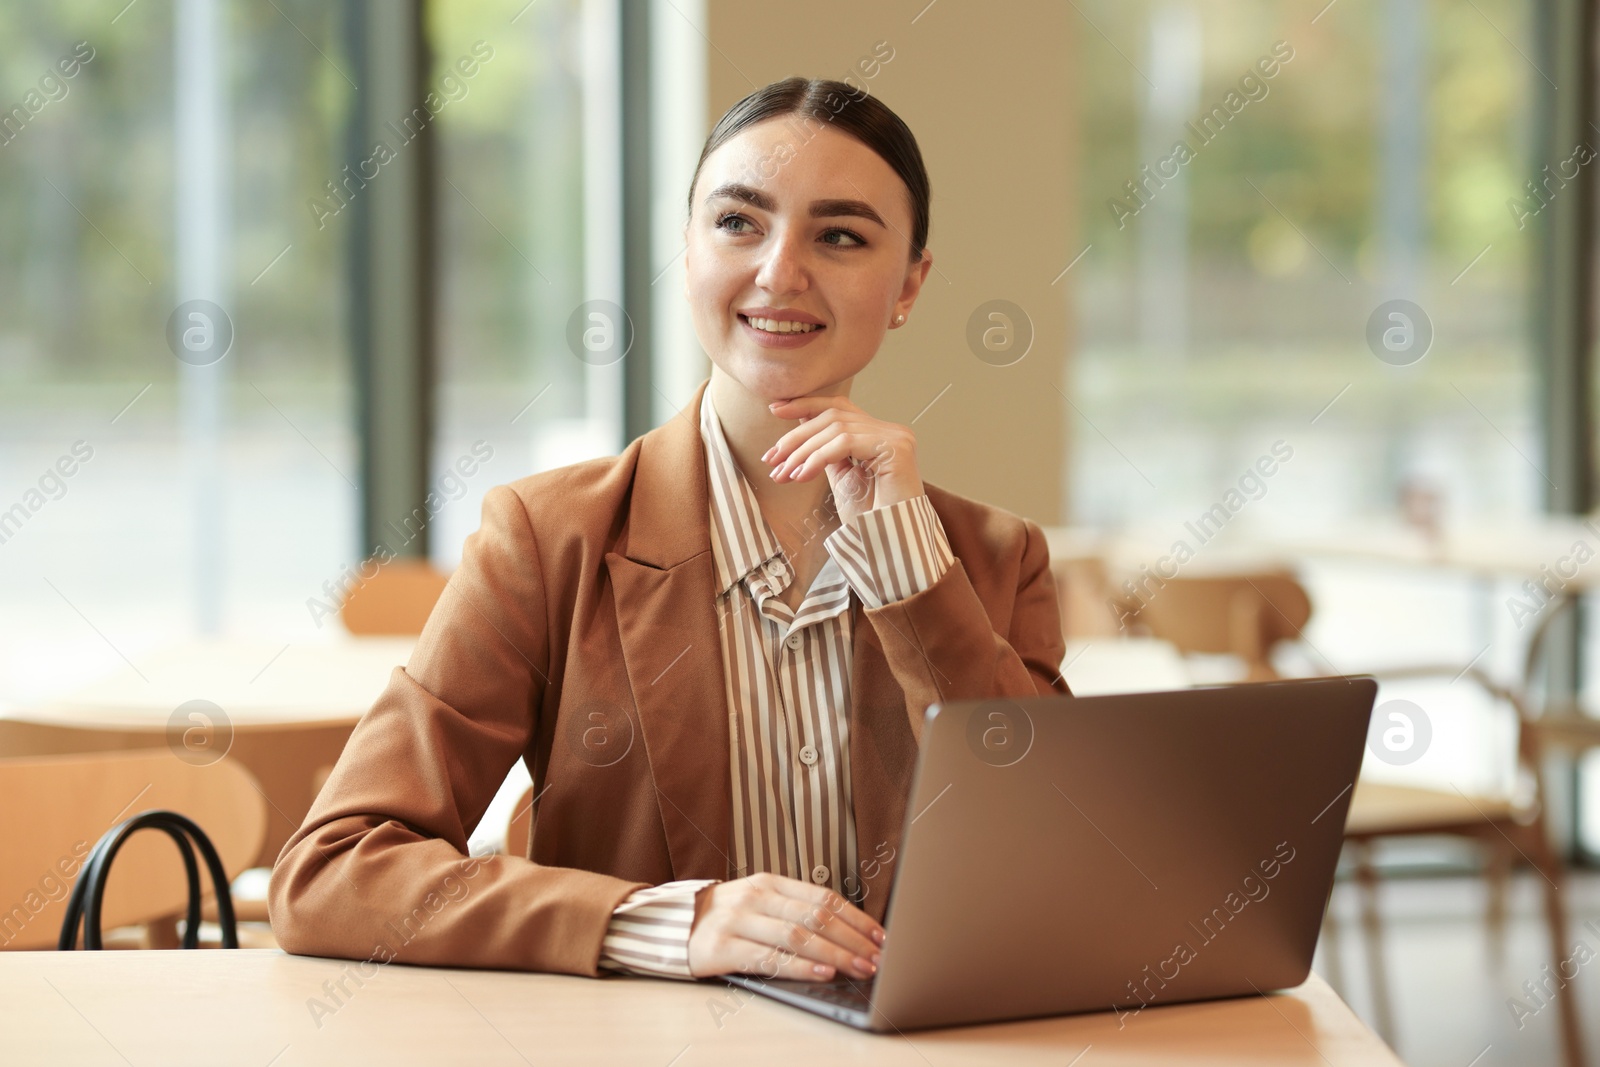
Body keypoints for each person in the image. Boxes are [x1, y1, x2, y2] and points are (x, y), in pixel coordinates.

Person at [269, 75, 1069, 987]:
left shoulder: (996, 560)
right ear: (686, 250)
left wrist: (906, 566)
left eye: (839, 235)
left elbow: (1071, 857)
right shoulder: (544, 540)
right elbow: (332, 869)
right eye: (738, 223)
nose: (780, 272)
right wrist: (661, 925)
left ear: (909, 286)